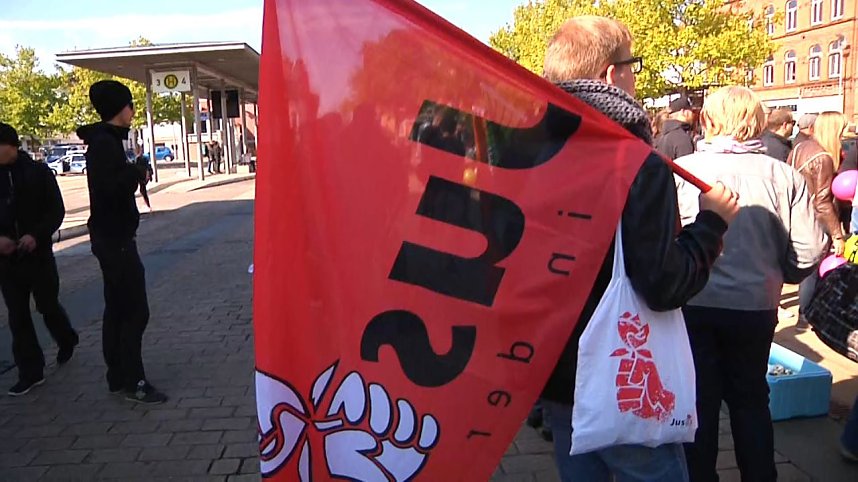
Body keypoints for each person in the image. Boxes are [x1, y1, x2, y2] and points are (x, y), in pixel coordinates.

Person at [539, 16, 739, 482]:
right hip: (623, 374)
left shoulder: (530, 150)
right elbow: (663, 283)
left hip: (553, 366)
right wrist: (711, 225)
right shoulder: (634, 162)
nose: (634, 76)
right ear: (612, 74)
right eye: (633, 65)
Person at [674, 86, 825, 482]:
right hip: (755, 305)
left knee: (698, 403)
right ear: (757, 123)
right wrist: (781, 275)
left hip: (693, 302)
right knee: (751, 400)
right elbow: (810, 248)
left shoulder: (682, 171)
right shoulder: (784, 176)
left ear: (708, 120)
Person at [75, 80, 167, 405]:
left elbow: (114, 184)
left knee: (116, 308)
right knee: (135, 311)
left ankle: (117, 376)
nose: (133, 110)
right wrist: (135, 172)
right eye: (130, 104)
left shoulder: (107, 141)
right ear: (119, 108)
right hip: (115, 239)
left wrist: (133, 173)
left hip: (112, 237)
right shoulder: (104, 144)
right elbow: (110, 189)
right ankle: (133, 380)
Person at [0, 123, 78, 396]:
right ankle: (31, 371)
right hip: (7, 260)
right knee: (17, 315)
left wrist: (36, 235)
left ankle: (66, 337)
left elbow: (56, 210)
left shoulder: (38, 172)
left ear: (11, 146)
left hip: (39, 254)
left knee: (47, 305)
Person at [788, 111, 847, 333]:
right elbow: (823, 201)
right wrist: (837, 234)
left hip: (799, 214)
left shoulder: (800, 148)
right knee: (813, 270)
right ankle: (807, 315)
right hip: (817, 218)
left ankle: (805, 314)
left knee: (808, 268)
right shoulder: (823, 157)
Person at [654, 94, 696, 160]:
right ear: (683, 112)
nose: (693, 114)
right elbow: (687, 165)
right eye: (692, 111)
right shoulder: (682, 138)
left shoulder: (663, 136)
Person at [133, 146, 153, 214]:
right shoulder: (142, 158)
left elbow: (139, 168)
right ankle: (148, 205)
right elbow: (148, 167)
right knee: (143, 190)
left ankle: (148, 206)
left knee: (142, 190)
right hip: (142, 176)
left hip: (141, 176)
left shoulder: (139, 159)